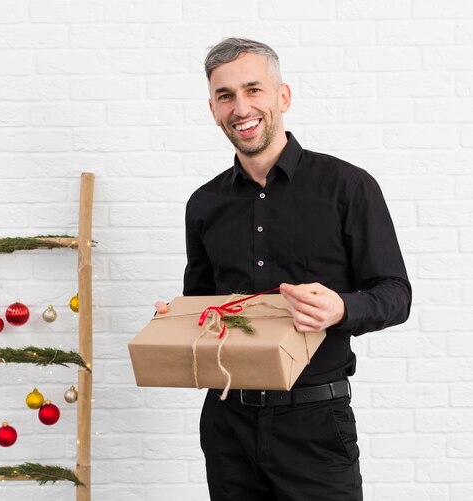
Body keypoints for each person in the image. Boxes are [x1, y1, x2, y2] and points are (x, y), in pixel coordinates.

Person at [155, 38, 412, 500]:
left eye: (254, 90)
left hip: (316, 425)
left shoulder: (347, 187)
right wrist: (176, 319)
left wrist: (341, 308)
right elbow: (204, 306)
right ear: (212, 109)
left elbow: (396, 294)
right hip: (227, 423)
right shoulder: (204, 204)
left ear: (283, 97)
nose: (241, 107)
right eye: (226, 95)